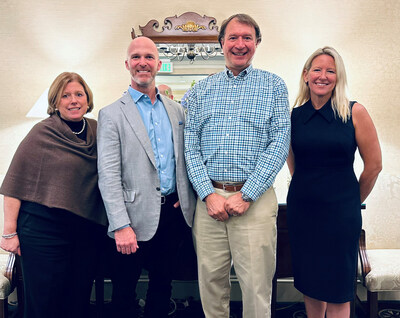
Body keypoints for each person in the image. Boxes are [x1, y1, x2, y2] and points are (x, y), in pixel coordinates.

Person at [184, 13, 291, 318]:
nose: (240, 44)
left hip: (254, 202)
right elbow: (190, 146)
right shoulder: (201, 90)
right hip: (210, 204)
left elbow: (279, 143)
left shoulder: (274, 86)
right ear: (221, 43)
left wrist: (247, 195)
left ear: (257, 43)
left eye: (247, 38)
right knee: (211, 285)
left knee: (256, 287)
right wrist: (208, 194)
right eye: (233, 37)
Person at [97, 36, 196, 318]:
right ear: (127, 64)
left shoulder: (177, 111)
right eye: (137, 57)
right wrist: (120, 225)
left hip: (171, 218)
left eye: (149, 57)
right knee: (124, 293)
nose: (143, 63)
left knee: (162, 288)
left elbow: (185, 159)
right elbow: (108, 174)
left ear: (159, 64)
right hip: (130, 219)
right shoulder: (112, 114)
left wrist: (183, 195)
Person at [0, 72, 107, 318]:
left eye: (79, 94)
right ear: (55, 101)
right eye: (65, 95)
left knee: (77, 302)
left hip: (85, 232)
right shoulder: (42, 133)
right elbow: (15, 184)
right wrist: (8, 234)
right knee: (43, 304)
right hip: (42, 231)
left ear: (87, 98)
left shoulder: (97, 130)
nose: (73, 100)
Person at [286, 46, 382, 318]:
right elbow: (294, 164)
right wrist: (312, 193)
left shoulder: (354, 112)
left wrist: (351, 200)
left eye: (331, 71)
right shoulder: (294, 117)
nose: (323, 76)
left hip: (341, 214)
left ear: (338, 78)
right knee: (311, 281)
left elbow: (374, 166)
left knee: (339, 285)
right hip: (303, 211)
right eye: (317, 69)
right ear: (306, 75)